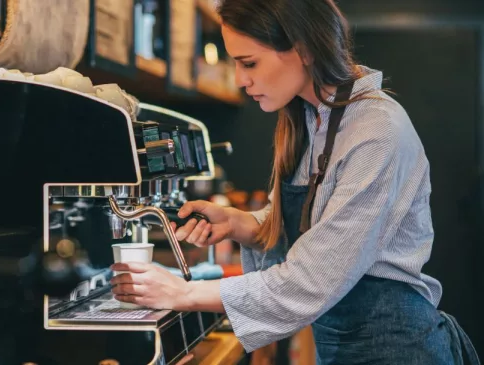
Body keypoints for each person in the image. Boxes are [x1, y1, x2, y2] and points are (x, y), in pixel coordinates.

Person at [110, 0, 481, 363]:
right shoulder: (310, 119)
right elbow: (315, 227)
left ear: (302, 48)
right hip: (342, 346)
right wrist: (241, 223)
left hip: (399, 350)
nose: (241, 80)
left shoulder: (375, 131)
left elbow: (313, 277)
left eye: (249, 62)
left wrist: (183, 293)